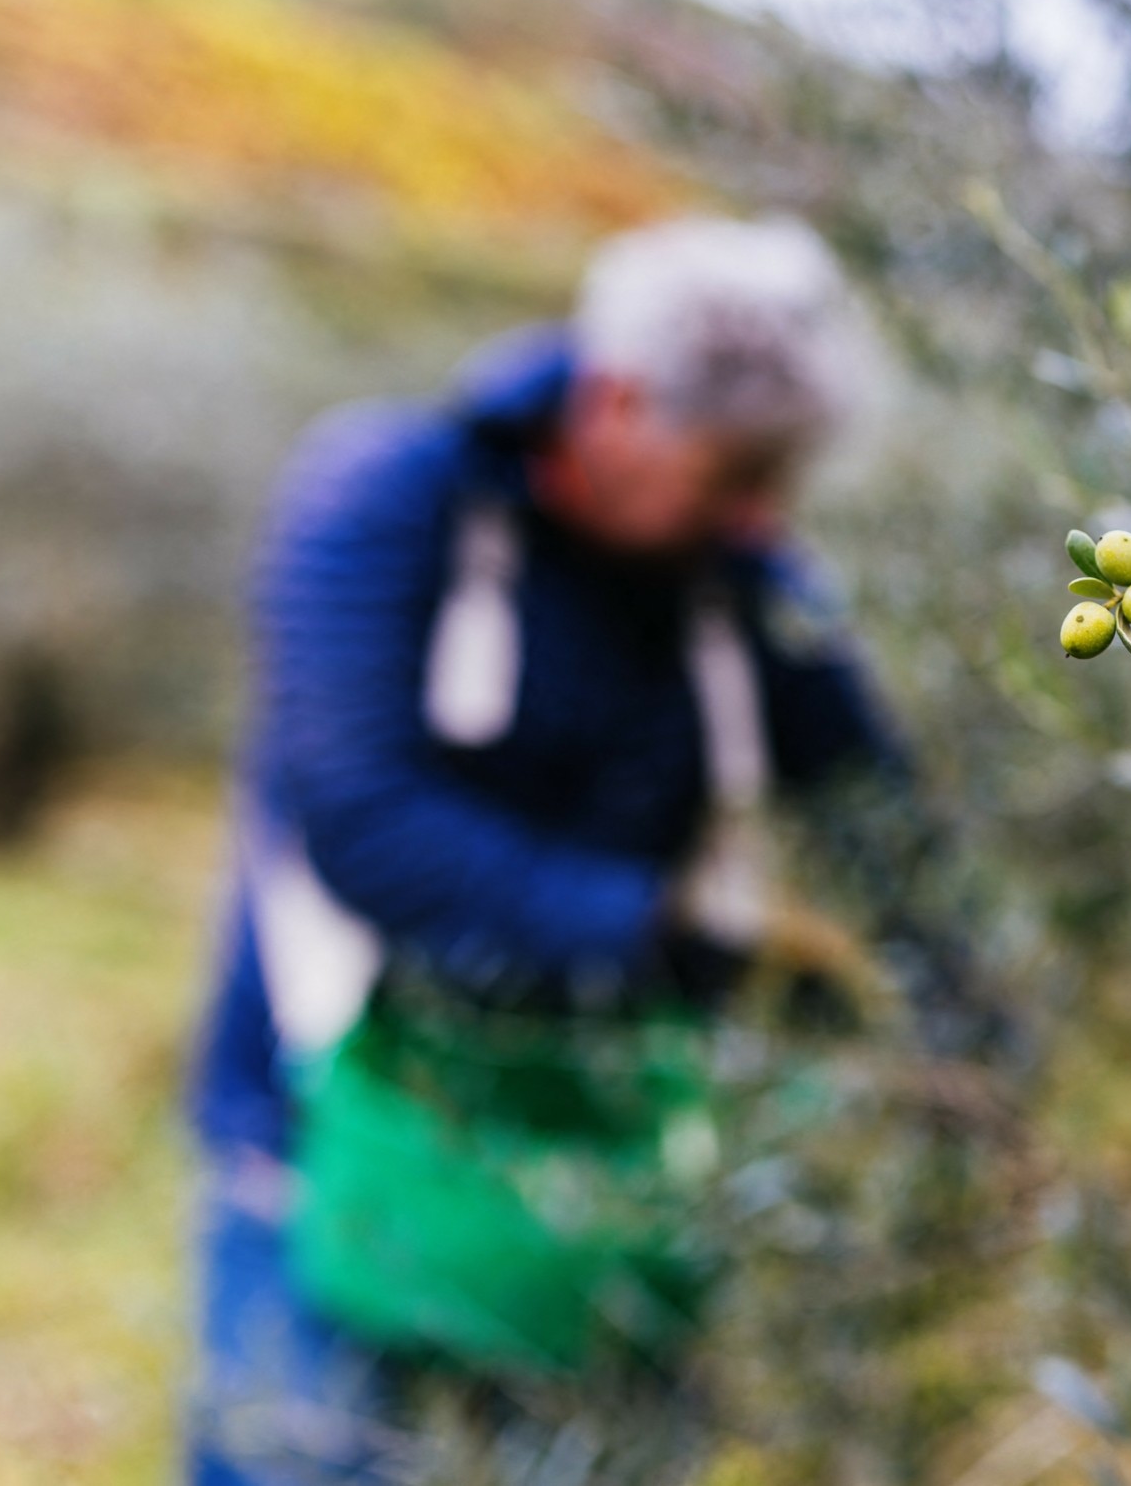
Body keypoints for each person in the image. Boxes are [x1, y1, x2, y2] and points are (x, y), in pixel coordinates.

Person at [186, 216, 908, 1484]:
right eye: (735, 473)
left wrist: (974, 1012)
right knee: (304, 1451)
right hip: (325, 1123)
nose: (758, 514)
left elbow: (879, 818)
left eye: (776, 483)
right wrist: (677, 941)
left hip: (600, 1145)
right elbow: (366, 825)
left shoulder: (736, 574)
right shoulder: (388, 497)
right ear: (619, 404)